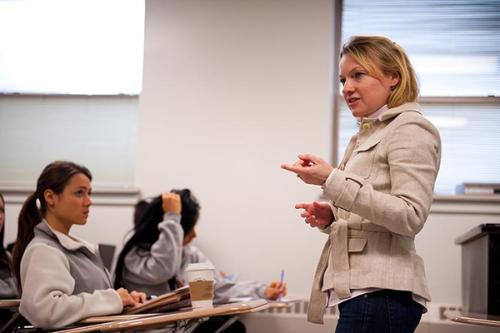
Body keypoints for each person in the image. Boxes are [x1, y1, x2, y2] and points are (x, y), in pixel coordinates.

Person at [281, 35, 441, 333]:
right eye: (343, 79)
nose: (347, 88)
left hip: (381, 293)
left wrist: (331, 179)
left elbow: (410, 215)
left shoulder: (410, 128)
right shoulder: (366, 135)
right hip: (365, 292)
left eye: (358, 75)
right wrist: (333, 217)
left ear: (393, 77)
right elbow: (371, 209)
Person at [114, 189, 287, 333]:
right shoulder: (134, 257)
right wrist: (173, 216)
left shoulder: (190, 254)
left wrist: (263, 291)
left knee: (234, 327)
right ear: (173, 230)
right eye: (189, 230)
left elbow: (218, 287)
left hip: (185, 328)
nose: (195, 235)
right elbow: (164, 268)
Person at [11, 161, 146, 329]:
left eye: (89, 193)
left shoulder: (73, 247)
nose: (89, 201)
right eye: (79, 193)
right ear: (50, 197)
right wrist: (113, 299)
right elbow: (46, 311)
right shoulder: (43, 250)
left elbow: (89, 301)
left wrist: (126, 301)